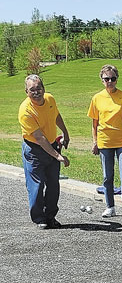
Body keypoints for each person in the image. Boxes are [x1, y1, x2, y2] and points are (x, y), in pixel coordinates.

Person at [18, 75, 70, 229]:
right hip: (34, 150)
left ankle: (50, 216)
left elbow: (56, 115)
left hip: (52, 144)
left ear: (44, 88)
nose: (36, 92)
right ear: (26, 91)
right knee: (37, 185)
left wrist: (65, 133)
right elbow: (40, 138)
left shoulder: (50, 99)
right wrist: (58, 156)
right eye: (32, 90)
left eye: (38, 88)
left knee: (53, 184)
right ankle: (39, 218)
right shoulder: (25, 111)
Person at [87, 65, 122, 220]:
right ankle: (110, 207)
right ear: (102, 80)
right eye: (106, 79)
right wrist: (94, 142)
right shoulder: (97, 98)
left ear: (117, 79)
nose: (110, 82)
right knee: (107, 176)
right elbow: (95, 123)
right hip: (104, 142)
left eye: (113, 79)